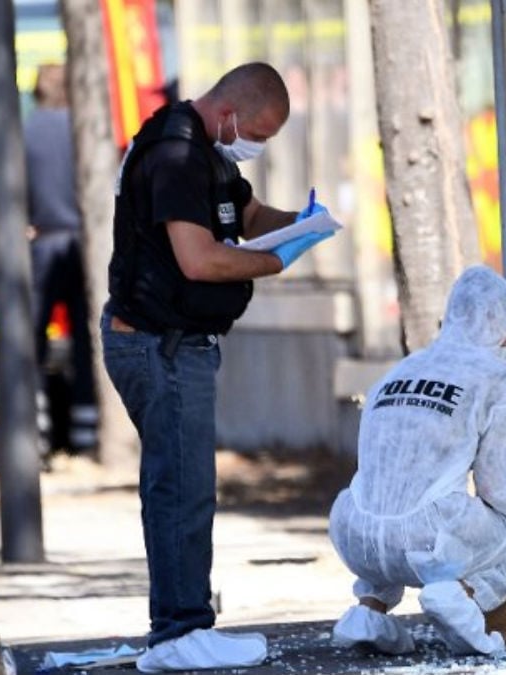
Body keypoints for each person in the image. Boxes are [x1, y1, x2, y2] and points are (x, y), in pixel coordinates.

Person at [101, 62, 335, 673]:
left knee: (185, 486)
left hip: (175, 342)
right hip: (161, 345)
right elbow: (200, 260)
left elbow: (249, 217)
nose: (258, 146)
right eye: (258, 132)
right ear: (229, 114)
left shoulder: (210, 154)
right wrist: (274, 265)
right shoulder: (177, 155)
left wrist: (305, 226)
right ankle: (180, 634)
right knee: (181, 491)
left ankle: (183, 626)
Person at [327, 266, 506, 656]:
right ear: (497, 322)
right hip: (428, 541)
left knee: (395, 507)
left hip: (354, 533)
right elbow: (505, 492)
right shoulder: (496, 378)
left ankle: (371, 610)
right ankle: (459, 600)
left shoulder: (399, 370)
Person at [23, 63, 97, 455]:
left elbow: (15, 189)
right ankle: (86, 432)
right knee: (86, 340)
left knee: (32, 339)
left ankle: (37, 431)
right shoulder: (83, 128)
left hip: (43, 242)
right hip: (83, 245)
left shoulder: (27, 130)